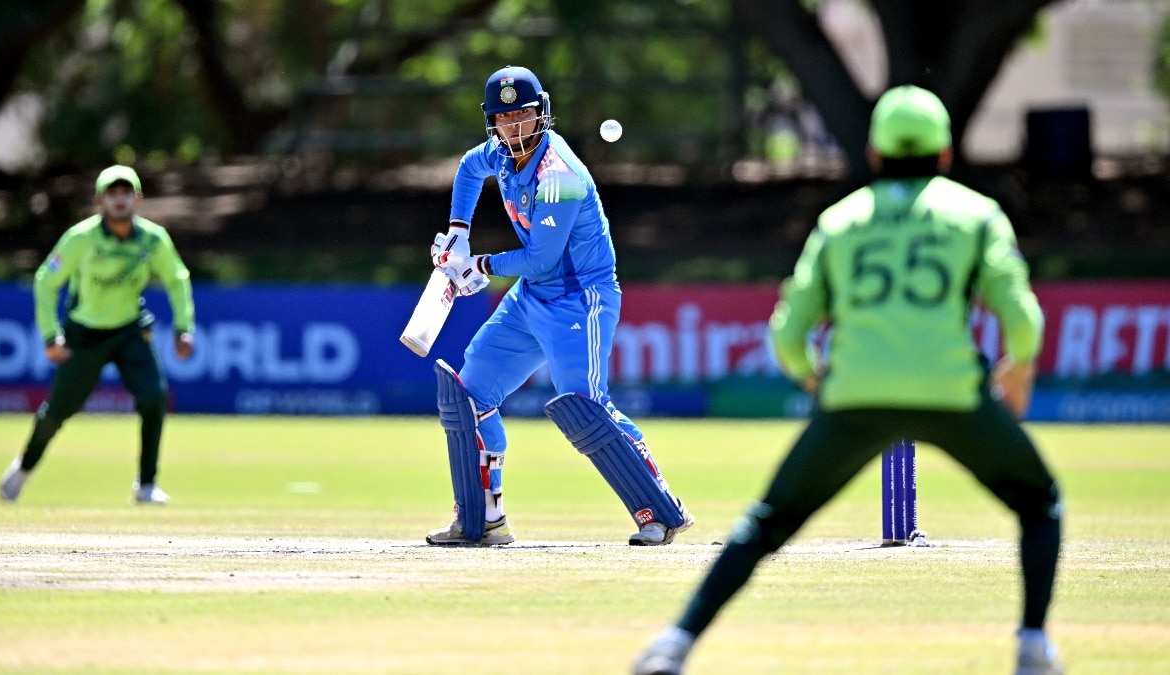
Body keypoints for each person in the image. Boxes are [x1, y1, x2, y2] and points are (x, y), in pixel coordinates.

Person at [633, 86, 1063, 675]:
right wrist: (1019, 368)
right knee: (1040, 504)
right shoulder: (976, 215)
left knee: (766, 524)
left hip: (854, 398)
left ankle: (674, 644)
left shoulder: (841, 221)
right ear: (945, 154)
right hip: (953, 394)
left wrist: (813, 379)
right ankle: (1033, 647)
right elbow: (1023, 318)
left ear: (874, 154)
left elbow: (788, 332)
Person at [423, 65, 693, 547]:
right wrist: (459, 233)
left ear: (541, 113)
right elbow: (467, 168)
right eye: (503, 118)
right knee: (470, 395)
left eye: (522, 115)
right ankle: (484, 520)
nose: (513, 127)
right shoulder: (500, 154)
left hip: (580, 299)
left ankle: (661, 510)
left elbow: (540, 258)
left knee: (585, 406)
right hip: (532, 296)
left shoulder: (559, 176)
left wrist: (478, 265)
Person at [0, 165, 196, 505]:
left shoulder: (153, 240)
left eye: (126, 193)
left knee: (154, 397)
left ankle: (146, 485)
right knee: (58, 411)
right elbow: (46, 281)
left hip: (130, 329)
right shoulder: (81, 238)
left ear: (138, 199)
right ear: (99, 201)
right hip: (84, 334)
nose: (119, 200)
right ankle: (24, 467)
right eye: (112, 193)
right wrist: (51, 336)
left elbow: (177, 280)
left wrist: (184, 328)